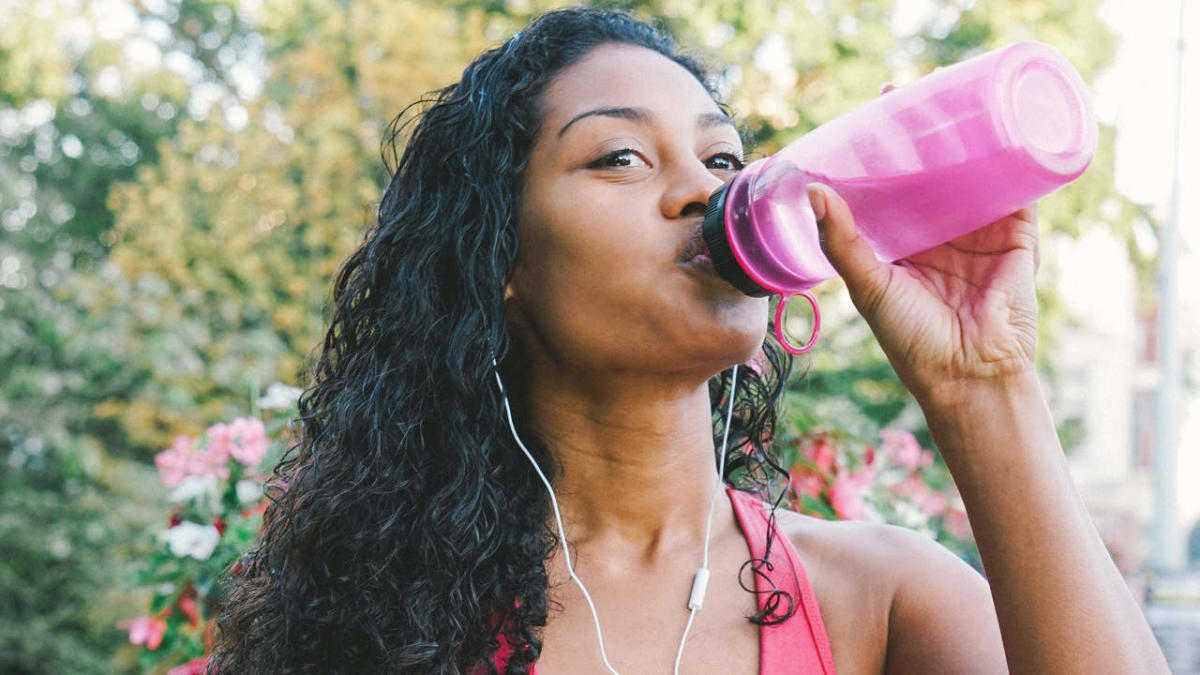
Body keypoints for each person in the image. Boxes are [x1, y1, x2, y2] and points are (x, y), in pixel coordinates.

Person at [209, 8, 1169, 674]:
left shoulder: (879, 599)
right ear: (501, 255)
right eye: (620, 156)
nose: (702, 192)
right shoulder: (387, 621)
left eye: (722, 157)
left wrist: (984, 387)